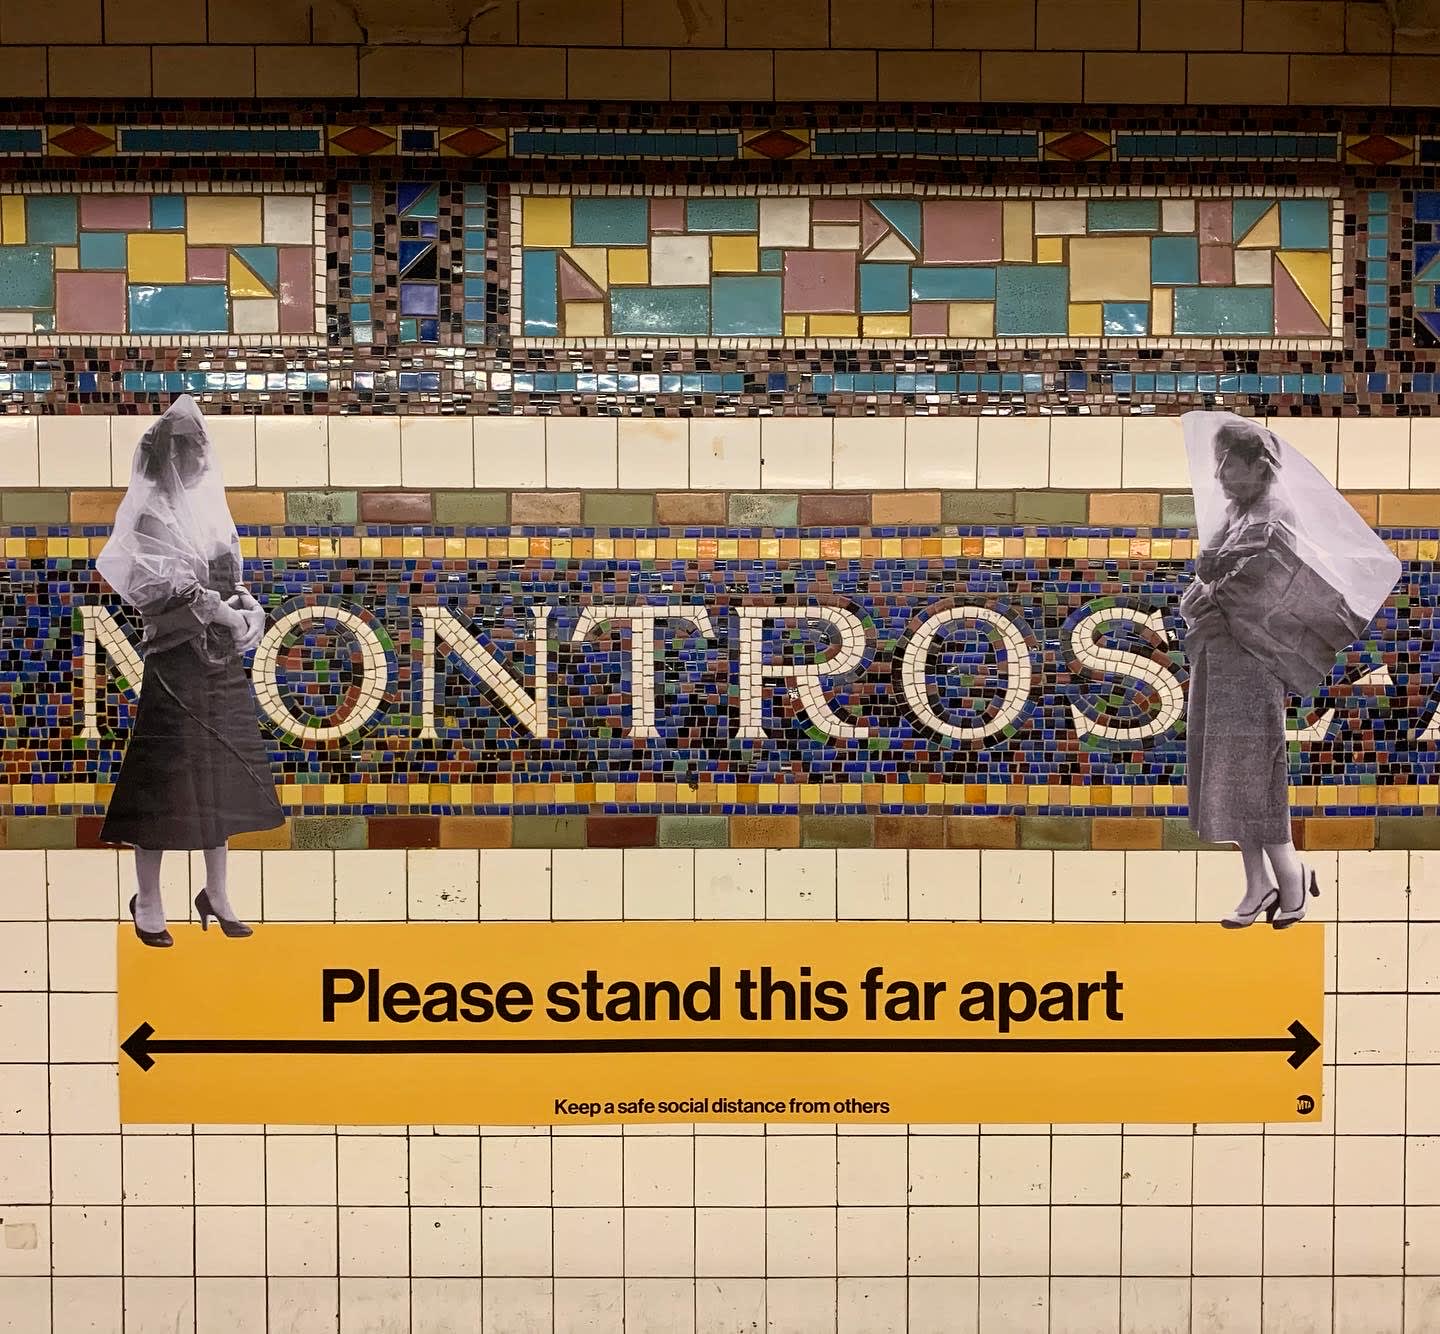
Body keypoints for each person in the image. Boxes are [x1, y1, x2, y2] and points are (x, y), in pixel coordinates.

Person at [1180, 413, 1400, 929]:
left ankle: (1290, 876)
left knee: (1256, 765)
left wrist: (1215, 575)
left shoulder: (1274, 514)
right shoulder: (1240, 512)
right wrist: (1212, 571)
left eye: (1226, 464)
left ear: (1257, 465)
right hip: (1225, 657)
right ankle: (1258, 883)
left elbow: (1254, 587)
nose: (1218, 477)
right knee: (1229, 767)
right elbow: (1215, 583)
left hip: (1255, 660)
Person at [97, 396, 283, 947]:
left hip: (219, 665)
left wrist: (250, 608)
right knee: (162, 780)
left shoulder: (206, 509)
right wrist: (220, 611)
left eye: (201, 449)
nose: (199, 459)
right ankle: (149, 899)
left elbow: (230, 573)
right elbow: (154, 588)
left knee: (219, 774)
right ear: (168, 456)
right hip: (175, 665)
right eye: (189, 450)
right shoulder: (148, 512)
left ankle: (216, 891)